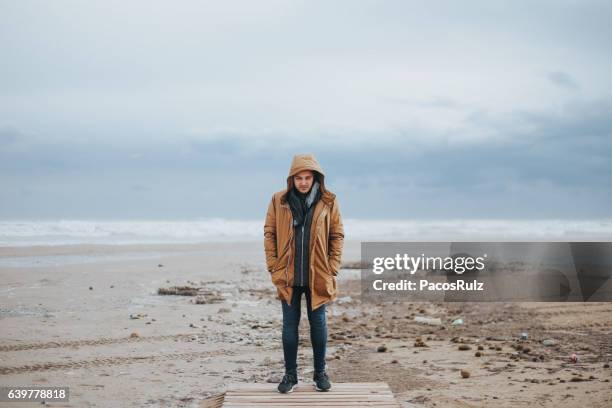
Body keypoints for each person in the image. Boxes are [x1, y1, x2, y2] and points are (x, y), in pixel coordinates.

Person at [264, 154, 344, 393]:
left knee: (318, 324)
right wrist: (273, 265)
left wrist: (332, 267)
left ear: (315, 178)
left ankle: (320, 374)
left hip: (317, 274)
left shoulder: (328, 201)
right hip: (288, 274)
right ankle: (290, 375)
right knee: (289, 326)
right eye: (298, 178)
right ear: (292, 179)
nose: (303, 182)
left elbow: (337, 235)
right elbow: (270, 233)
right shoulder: (279, 200)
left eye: (308, 177)